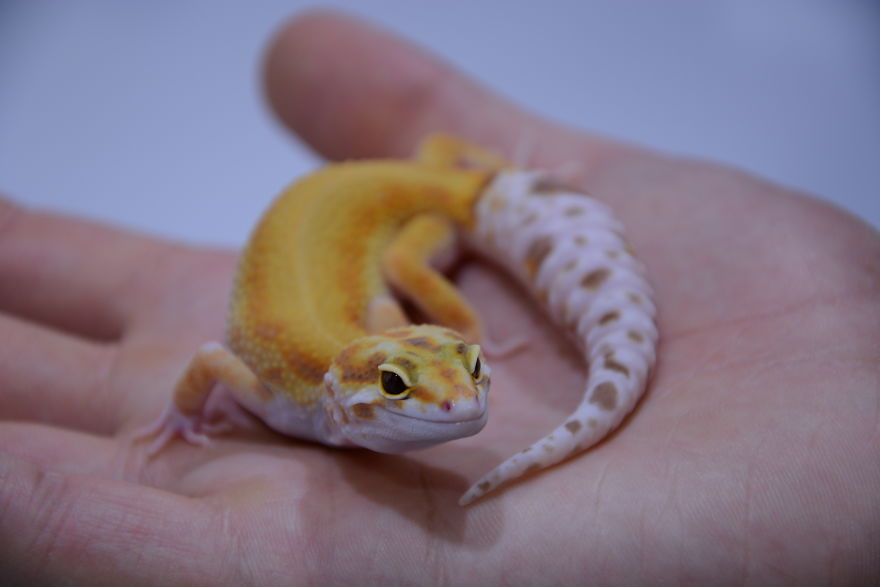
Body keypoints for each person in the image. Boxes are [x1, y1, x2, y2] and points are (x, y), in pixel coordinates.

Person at [1, 11, 877, 584]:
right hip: (417, 197)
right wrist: (184, 413)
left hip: (422, 202)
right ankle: (484, 198)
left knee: (412, 295)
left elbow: (244, 356)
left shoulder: (383, 328)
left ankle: (483, 207)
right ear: (343, 390)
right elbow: (207, 362)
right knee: (401, 292)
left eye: (461, 368)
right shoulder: (292, 389)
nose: (463, 399)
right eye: (396, 388)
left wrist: (457, 322)